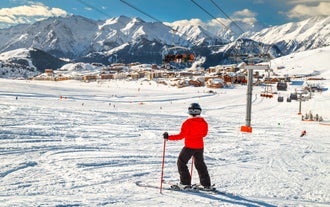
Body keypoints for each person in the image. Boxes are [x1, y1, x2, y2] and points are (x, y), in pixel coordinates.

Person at [163, 103, 211, 190]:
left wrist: (168, 137)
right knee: (200, 164)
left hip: (189, 146)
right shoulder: (203, 122)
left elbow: (181, 136)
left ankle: (185, 183)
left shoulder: (187, 123)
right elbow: (204, 134)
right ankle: (206, 184)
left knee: (181, 162)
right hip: (199, 147)